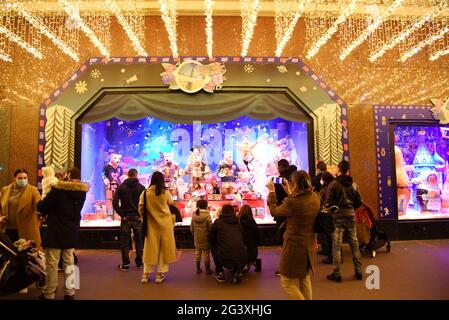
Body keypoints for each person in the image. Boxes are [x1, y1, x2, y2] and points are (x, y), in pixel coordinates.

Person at [37, 167, 89, 300]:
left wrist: (44, 195)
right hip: (71, 230)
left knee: (52, 263)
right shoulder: (82, 192)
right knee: (69, 261)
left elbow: (42, 207)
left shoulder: (58, 190)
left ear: (68, 175)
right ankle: (70, 292)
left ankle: (49, 292)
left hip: (55, 230)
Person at [267, 170, 320, 300]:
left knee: (286, 281)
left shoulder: (292, 203)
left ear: (295, 184)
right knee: (304, 278)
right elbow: (300, 203)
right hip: (308, 243)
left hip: (294, 245)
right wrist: (289, 192)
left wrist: (271, 192)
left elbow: (274, 211)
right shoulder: (315, 197)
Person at [325, 160, 363, 282]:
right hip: (350, 216)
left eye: (336, 167)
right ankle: (358, 271)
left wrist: (333, 209)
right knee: (354, 243)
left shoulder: (333, 184)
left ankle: (337, 273)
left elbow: (328, 202)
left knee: (336, 244)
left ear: (339, 168)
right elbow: (359, 202)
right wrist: (351, 209)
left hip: (337, 217)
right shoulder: (354, 185)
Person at [138, 171, 177, 284]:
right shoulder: (165, 192)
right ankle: (159, 275)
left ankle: (145, 275)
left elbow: (141, 208)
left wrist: (145, 217)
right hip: (165, 224)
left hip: (151, 224)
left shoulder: (145, 193)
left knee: (150, 248)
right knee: (163, 249)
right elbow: (171, 203)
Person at [113, 168, 145, 271]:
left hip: (126, 218)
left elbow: (114, 202)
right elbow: (145, 203)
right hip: (137, 217)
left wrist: (122, 214)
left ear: (127, 174)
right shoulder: (141, 188)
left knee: (125, 241)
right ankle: (139, 262)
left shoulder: (121, 187)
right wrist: (141, 215)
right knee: (139, 240)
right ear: (136, 175)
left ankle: (126, 264)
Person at [0, 169, 41, 247]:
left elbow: (38, 205)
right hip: (7, 228)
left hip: (26, 229)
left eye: (25, 178)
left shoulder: (33, 190)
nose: (23, 180)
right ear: (14, 178)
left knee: (25, 255)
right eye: (20, 178)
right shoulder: (5, 190)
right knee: (7, 254)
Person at [208, 204, 247, 284]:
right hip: (242, 255)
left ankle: (220, 273)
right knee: (235, 246)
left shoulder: (218, 222)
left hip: (224, 255)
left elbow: (211, 239)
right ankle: (238, 271)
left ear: (222, 212)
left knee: (213, 247)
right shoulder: (238, 223)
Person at [273, 159, 293, 276]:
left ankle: (285, 268)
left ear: (280, 167)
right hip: (293, 211)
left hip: (283, 209)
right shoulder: (294, 177)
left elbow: (275, 193)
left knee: (283, 238)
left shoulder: (279, 179)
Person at [317, 171, 335, 264]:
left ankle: (330, 255)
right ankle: (332, 254)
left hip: (327, 213)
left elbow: (324, 201)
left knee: (328, 235)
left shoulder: (325, 189)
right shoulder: (335, 185)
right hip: (336, 213)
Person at [190, 199, 212, 274]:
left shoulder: (194, 215)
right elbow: (210, 228)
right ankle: (207, 270)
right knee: (206, 254)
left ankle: (198, 269)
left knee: (197, 253)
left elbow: (191, 228)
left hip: (197, 237)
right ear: (206, 206)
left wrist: (194, 234)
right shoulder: (207, 215)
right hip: (206, 238)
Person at [237, 205, 260, 272]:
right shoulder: (252, 221)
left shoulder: (238, 221)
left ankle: (245, 266)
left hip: (241, 247)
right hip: (252, 249)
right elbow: (257, 235)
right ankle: (250, 264)